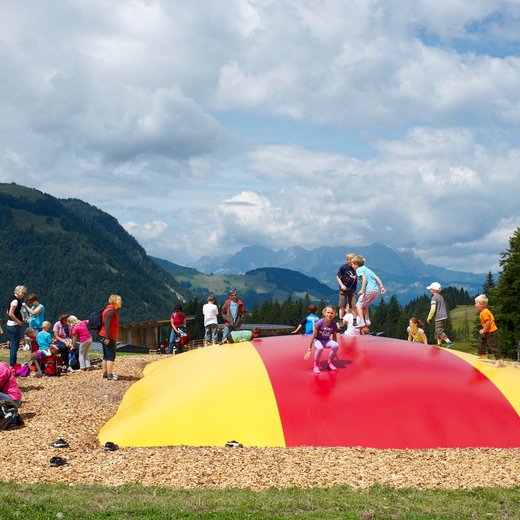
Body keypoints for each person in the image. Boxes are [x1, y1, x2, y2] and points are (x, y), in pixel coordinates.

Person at [351, 256, 385, 329]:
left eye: (352, 264)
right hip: (376, 291)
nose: (352, 266)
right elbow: (376, 277)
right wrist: (382, 287)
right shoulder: (367, 269)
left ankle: (362, 322)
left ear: (356, 264)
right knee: (365, 305)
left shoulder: (358, 269)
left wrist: (362, 289)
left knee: (359, 305)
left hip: (368, 290)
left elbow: (364, 278)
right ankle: (367, 320)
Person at [304, 305, 339, 374]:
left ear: (334, 314)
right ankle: (316, 365)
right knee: (320, 348)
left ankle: (329, 362)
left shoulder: (334, 324)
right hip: (317, 340)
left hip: (326, 340)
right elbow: (313, 336)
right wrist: (309, 349)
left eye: (332, 313)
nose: (329, 314)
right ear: (324, 313)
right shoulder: (320, 322)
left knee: (336, 345)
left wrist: (335, 350)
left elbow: (334, 337)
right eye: (328, 312)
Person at [474, 294, 503, 368]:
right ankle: (483, 355)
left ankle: (498, 360)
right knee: (480, 341)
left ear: (482, 304)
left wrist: (483, 330)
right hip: (487, 331)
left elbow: (488, 322)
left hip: (491, 332)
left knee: (493, 346)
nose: (475, 305)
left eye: (476, 303)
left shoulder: (485, 312)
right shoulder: (483, 311)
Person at [98, 294, 122, 381]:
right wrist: (108, 337)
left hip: (103, 334)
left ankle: (105, 374)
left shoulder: (108, 309)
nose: (121, 302)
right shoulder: (111, 311)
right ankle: (109, 375)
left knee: (106, 356)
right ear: (115, 301)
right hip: (108, 336)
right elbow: (107, 324)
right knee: (111, 356)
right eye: (120, 300)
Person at [426, 282, 453, 348]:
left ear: (434, 290)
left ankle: (449, 342)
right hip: (443, 316)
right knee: (437, 330)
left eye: (431, 289)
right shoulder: (440, 296)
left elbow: (433, 309)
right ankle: (439, 343)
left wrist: (429, 317)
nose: (430, 290)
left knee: (439, 330)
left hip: (439, 317)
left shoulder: (434, 298)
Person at [6, 285, 27, 368]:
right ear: (20, 292)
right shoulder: (15, 300)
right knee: (15, 345)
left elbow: (8, 312)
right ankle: (12, 365)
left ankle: (12, 364)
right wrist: (18, 321)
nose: (24, 295)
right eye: (23, 293)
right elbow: (11, 313)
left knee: (13, 345)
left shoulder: (11, 298)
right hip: (14, 325)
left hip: (10, 324)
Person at [336, 252, 358, 322]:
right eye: (348, 259)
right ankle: (341, 320)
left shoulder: (356, 268)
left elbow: (359, 278)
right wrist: (342, 285)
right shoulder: (343, 267)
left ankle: (354, 320)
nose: (348, 260)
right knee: (342, 306)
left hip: (352, 290)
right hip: (343, 290)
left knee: (354, 306)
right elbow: (338, 276)